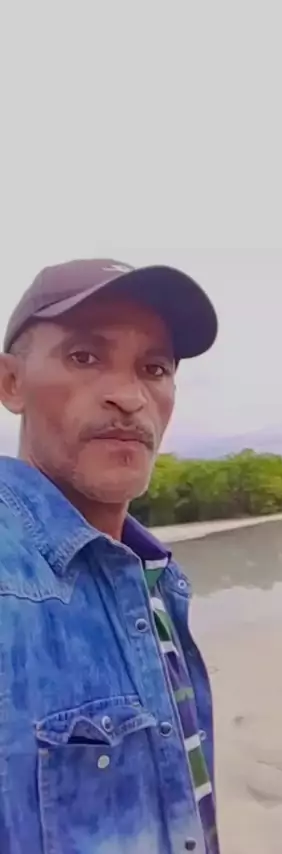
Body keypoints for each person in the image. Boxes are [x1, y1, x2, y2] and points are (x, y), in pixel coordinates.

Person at [0, 259, 220, 854]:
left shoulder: (154, 576)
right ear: (11, 383)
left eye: (154, 368)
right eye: (84, 357)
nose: (128, 397)